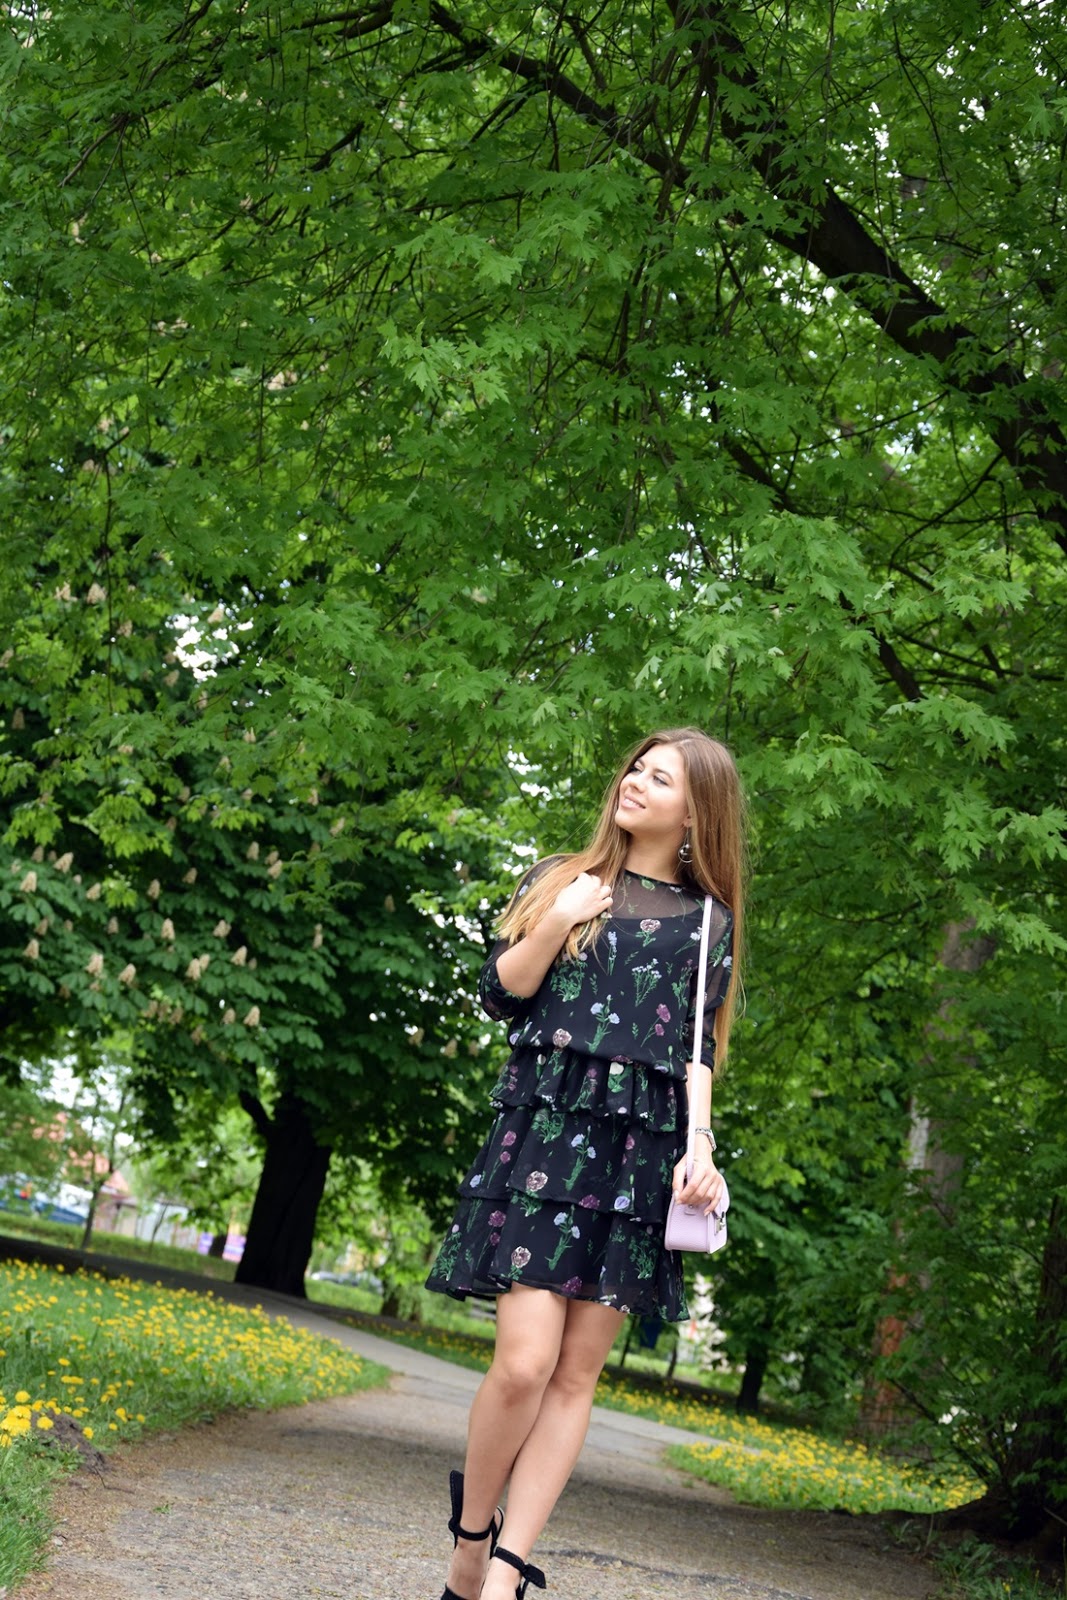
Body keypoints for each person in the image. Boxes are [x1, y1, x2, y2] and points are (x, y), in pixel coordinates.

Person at [426, 728, 745, 1600]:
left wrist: (700, 1146)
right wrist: (559, 919)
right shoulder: (560, 877)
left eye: (660, 778)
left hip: (640, 1156)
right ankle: (470, 1539)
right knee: (524, 1363)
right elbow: (501, 994)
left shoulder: (708, 921)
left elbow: (698, 1052)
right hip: (544, 1134)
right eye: (636, 768)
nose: (635, 781)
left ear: (696, 813)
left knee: (575, 1375)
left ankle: (504, 1574)